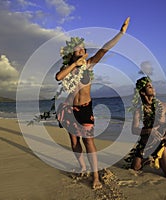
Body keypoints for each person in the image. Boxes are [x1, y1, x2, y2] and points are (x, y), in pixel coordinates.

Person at [55, 17, 130, 189]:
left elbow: (104, 50)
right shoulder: (68, 69)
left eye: (82, 48)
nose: (80, 49)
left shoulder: (88, 65)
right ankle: (82, 167)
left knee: (89, 142)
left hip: (85, 109)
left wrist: (121, 33)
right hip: (69, 109)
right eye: (76, 49)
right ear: (72, 54)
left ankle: (95, 176)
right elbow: (58, 77)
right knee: (75, 143)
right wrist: (74, 64)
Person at [128, 76, 166, 178]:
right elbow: (134, 130)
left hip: (159, 143)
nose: (153, 88)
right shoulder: (139, 110)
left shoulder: (165, 106)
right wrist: (150, 131)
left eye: (152, 86)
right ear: (143, 92)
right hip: (145, 144)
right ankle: (148, 159)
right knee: (134, 168)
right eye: (149, 87)